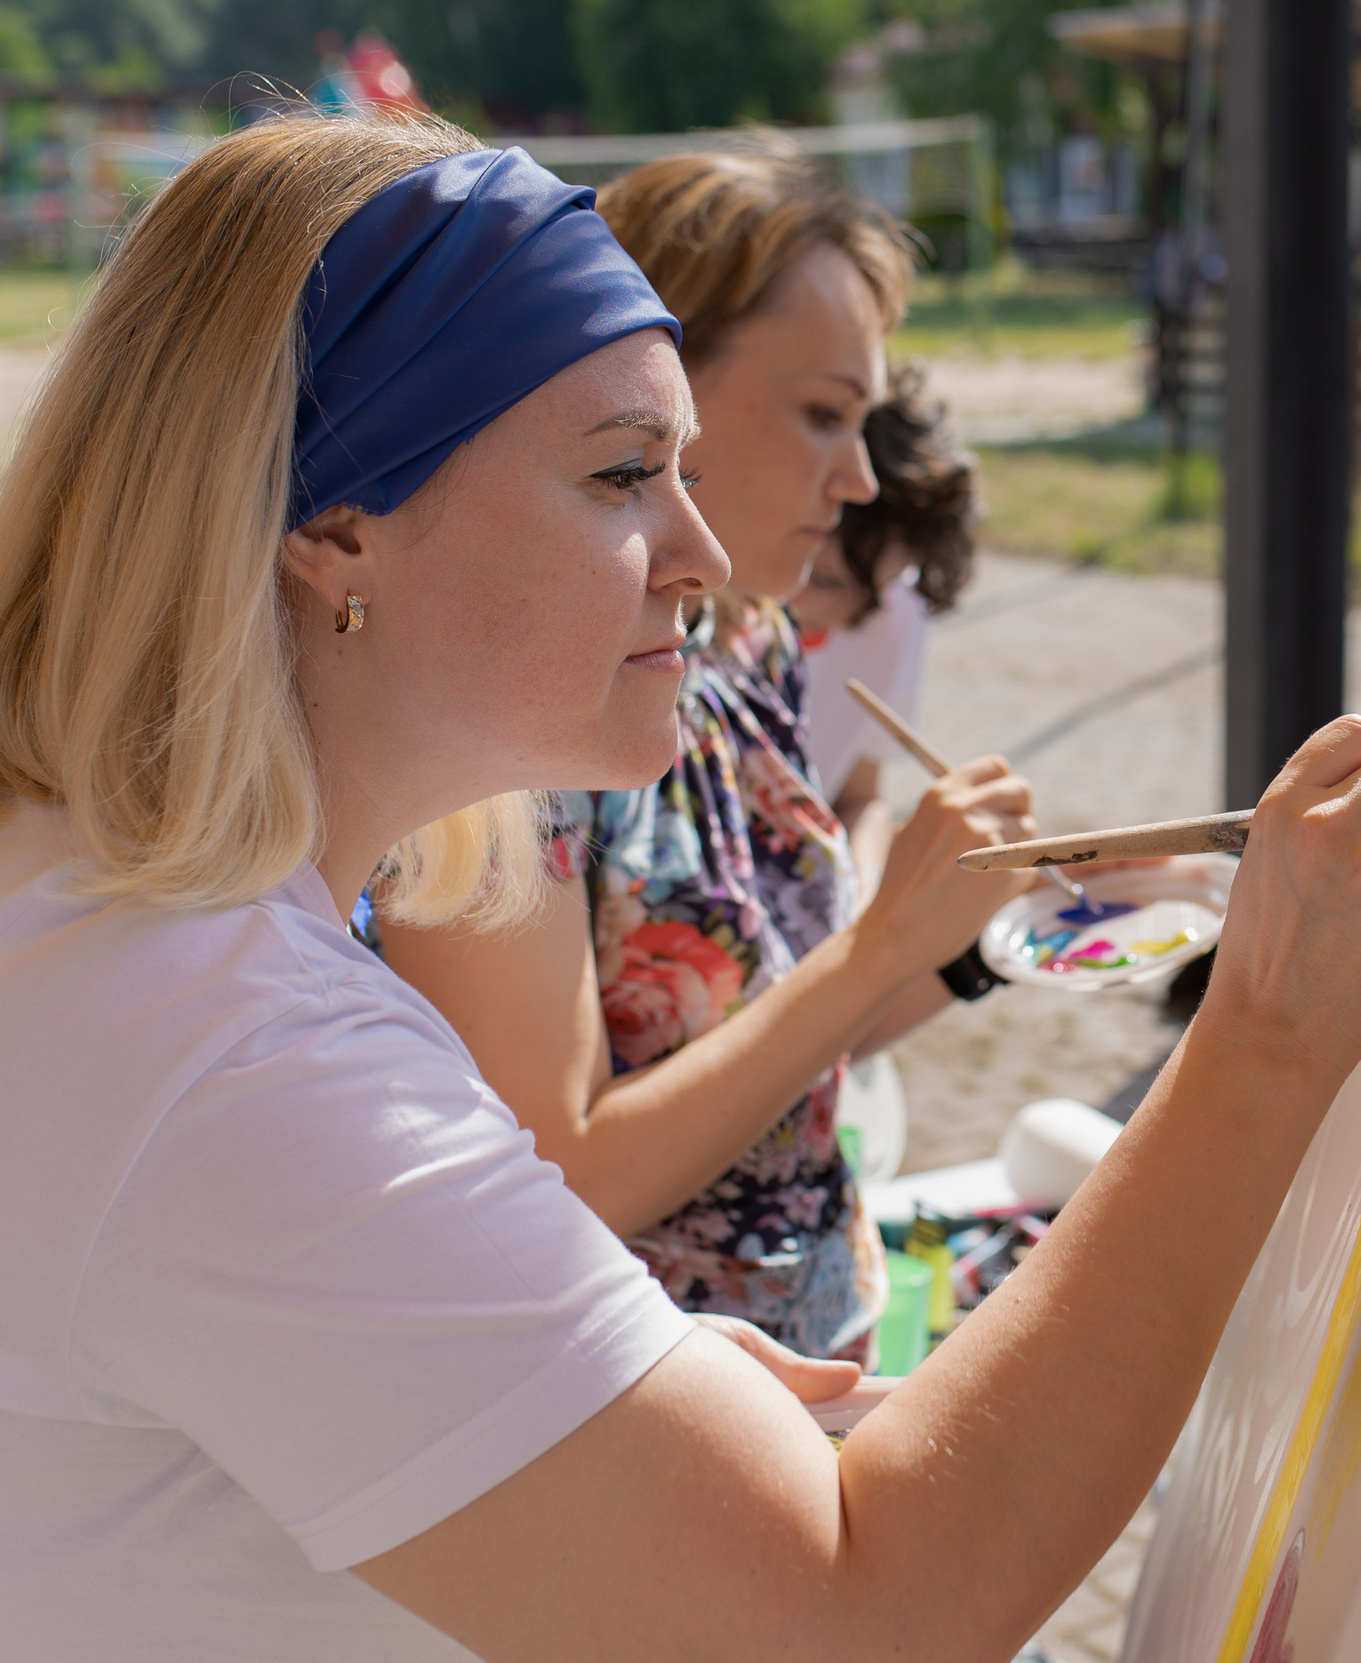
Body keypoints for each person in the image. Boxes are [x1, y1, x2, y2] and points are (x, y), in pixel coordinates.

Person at [0, 111, 1361, 1663]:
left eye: (686, 467)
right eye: (618, 475)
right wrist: (1258, 1036)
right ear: (332, 531)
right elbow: (861, 1636)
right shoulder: (210, 1042)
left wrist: (588, 1399)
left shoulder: (59, 884)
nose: (697, 555)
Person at [381, 149, 1039, 1363]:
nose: (858, 477)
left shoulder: (742, 635)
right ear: (659, 382)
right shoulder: (520, 721)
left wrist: (975, 945)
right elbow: (555, 1175)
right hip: (643, 1428)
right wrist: (880, 944)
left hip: (808, 1359)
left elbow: (773, 1050)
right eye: (825, 415)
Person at [787, 358, 977, 891]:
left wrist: (861, 888)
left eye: (875, 595)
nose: (848, 619)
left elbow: (857, 797)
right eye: (822, 580)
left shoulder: (896, 613)